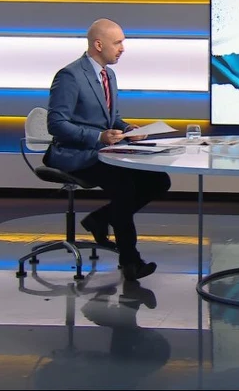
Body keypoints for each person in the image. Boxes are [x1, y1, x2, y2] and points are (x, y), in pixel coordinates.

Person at [44, 18, 171, 281]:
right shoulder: (70, 76)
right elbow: (56, 124)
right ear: (98, 44)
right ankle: (130, 261)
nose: (122, 48)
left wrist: (127, 128)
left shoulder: (108, 74)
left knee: (159, 180)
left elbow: (110, 118)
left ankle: (100, 219)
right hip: (75, 154)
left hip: (103, 153)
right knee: (124, 187)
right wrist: (99, 136)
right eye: (118, 43)